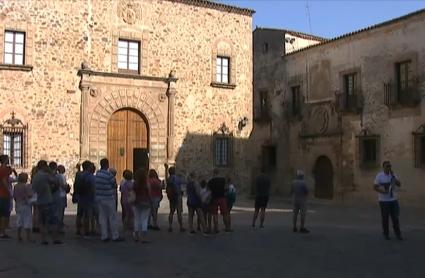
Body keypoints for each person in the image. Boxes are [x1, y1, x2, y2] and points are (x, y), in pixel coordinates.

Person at [32, 160, 62, 244]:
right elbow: (55, 181)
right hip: (48, 199)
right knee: (53, 220)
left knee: (42, 221)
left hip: (40, 200)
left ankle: (43, 239)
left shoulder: (35, 176)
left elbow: (33, 189)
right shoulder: (45, 175)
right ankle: (55, 238)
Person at [95, 158, 123, 242]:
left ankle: (104, 235)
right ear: (107, 165)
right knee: (112, 217)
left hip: (99, 198)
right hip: (108, 198)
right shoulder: (109, 175)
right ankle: (115, 236)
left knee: (102, 217)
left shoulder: (97, 174)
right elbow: (114, 185)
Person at [374, 161, 403, 240]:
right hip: (383, 201)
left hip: (393, 200)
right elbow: (375, 187)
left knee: (395, 218)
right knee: (385, 218)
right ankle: (386, 234)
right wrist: (382, 191)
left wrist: (393, 176)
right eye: (387, 166)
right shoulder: (379, 176)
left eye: (390, 166)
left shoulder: (393, 175)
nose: (388, 168)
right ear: (383, 167)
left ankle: (398, 234)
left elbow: (399, 184)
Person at [74, 160, 96, 237]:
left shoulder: (79, 174)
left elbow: (75, 185)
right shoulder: (90, 176)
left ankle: (78, 230)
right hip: (88, 197)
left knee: (79, 214)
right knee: (86, 215)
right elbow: (93, 187)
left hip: (80, 196)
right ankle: (86, 231)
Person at [207, 168, 231, 233]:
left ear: (213, 173)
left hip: (214, 198)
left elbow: (208, 190)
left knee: (215, 214)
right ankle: (227, 227)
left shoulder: (210, 181)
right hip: (222, 198)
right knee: (225, 213)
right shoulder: (223, 180)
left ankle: (216, 228)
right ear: (218, 173)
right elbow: (227, 188)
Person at [13, 172, 34, 242]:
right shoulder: (27, 186)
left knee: (19, 220)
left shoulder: (16, 186)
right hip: (26, 205)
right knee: (27, 221)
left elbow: (14, 196)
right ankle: (29, 237)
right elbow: (30, 195)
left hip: (18, 204)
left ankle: (19, 235)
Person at [133, 168, 151, 243]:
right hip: (145, 202)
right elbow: (149, 193)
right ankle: (143, 237)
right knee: (144, 219)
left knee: (137, 218)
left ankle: (136, 235)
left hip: (136, 202)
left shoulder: (135, 183)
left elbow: (133, 192)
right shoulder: (147, 184)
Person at [165, 165, 185, 232]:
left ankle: (170, 226)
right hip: (178, 196)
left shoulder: (168, 179)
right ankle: (181, 227)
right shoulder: (177, 178)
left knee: (171, 212)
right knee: (179, 212)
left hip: (171, 196)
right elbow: (183, 182)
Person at [0, 155, 12, 239]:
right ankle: (2, 232)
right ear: (4, 160)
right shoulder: (3, 170)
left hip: (2, 194)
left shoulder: (4, 169)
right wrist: (9, 192)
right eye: (7, 159)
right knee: (4, 214)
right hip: (3, 194)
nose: (9, 160)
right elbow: (4, 182)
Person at [57, 165, 70, 233]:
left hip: (58, 195)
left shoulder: (57, 176)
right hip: (62, 195)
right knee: (61, 212)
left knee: (59, 211)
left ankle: (59, 225)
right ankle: (60, 227)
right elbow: (63, 185)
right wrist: (67, 187)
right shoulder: (62, 176)